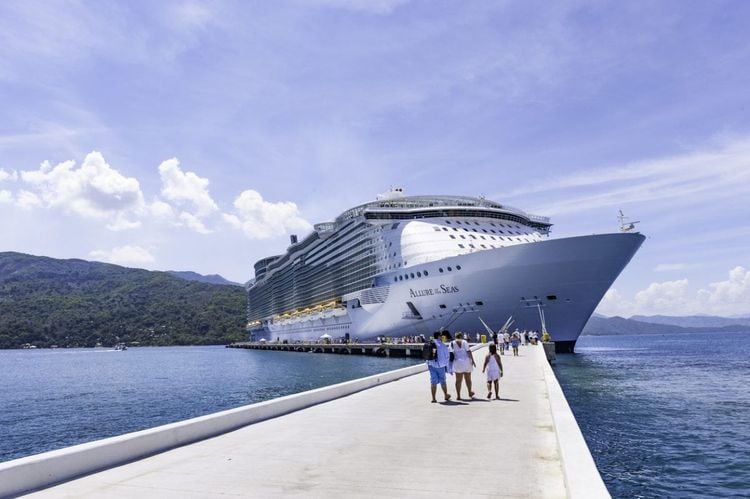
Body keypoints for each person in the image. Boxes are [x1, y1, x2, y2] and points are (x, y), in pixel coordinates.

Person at [449, 332, 476, 400]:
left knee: (458, 380)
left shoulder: (452, 343)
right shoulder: (464, 342)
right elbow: (469, 351)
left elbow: (450, 353)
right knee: (468, 379)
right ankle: (469, 392)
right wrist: (473, 360)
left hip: (457, 363)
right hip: (466, 362)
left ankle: (458, 396)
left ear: (455, 336)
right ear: (461, 336)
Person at [427, 331, 451, 403]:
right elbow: (447, 357)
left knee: (433, 382)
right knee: (443, 381)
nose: (442, 337)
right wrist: (447, 366)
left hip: (431, 365)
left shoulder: (430, 343)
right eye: (441, 336)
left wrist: (428, 364)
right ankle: (446, 395)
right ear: (438, 336)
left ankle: (433, 398)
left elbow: (426, 355)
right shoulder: (442, 345)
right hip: (440, 366)